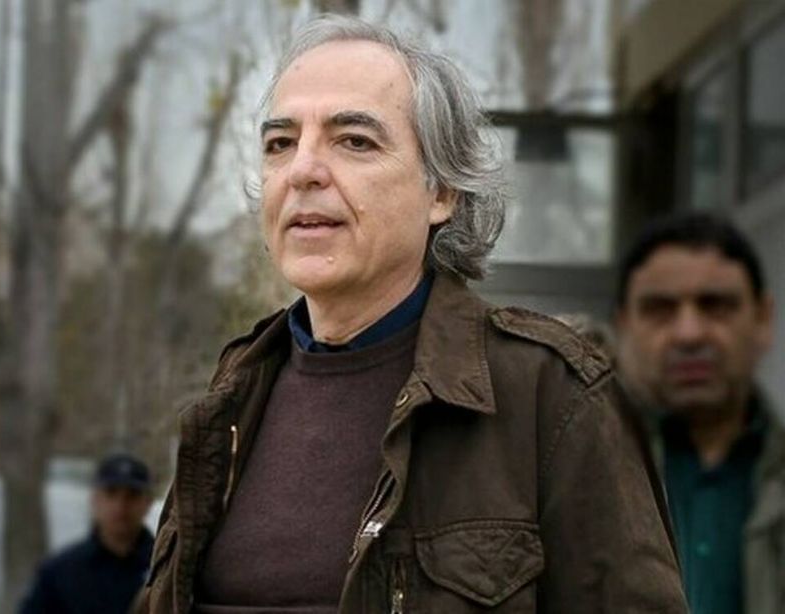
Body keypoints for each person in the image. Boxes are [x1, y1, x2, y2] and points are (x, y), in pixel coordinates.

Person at [137, 14, 686, 613]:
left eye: (355, 141)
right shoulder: (228, 402)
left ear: (442, 192)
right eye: (280, 143)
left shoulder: (552, 395)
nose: (303, 171)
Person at [615, 212, 781, 614]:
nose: (689, 334)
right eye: (660, 309)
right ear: (624, 326)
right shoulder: (579, 472)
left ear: (762, 318)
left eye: (715, 306)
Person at [20, 453, 154, 614]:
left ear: (148, 502)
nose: (120, 505)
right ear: (94, 499)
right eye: (111, 493)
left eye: (132, 495)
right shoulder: (61, 572)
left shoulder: (164, 568)